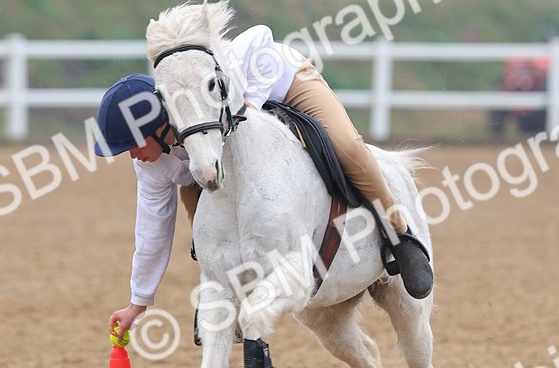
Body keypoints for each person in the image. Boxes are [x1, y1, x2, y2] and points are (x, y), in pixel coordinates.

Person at [98, 20, 433, 340]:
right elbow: (152, 228)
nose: (131, 156)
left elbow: (260, 34)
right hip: (231, 119)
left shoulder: (221, 73)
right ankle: (219, 275)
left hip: (283, 79)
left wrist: (251, 104)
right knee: (197, 182)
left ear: (155, 125)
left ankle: (401, 235)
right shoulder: (151, 164)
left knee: (346, 144)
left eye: (132, 145)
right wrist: (138, 302)